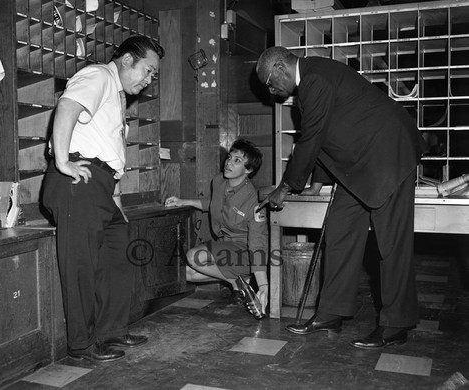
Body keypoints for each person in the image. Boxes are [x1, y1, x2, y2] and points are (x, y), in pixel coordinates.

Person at [257, 47, 427, 349]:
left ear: (280, 67)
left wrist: (286, 187)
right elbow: (324, 139)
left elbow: (311, 138)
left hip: (388, 155)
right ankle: (330, 313)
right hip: (361, 165)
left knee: (391, 244)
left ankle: (396, 324)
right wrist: (316, 185)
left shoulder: (315, 79)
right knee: (340, 231)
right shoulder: (311, 82)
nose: (271, 91)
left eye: (270, 83)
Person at [42, 36, 165, 362]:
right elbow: (67, 107)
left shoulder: (117, 95)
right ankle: (82, 345)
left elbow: (110, 156)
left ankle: (111, 333)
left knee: (116, 256)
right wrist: (63, 161)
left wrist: (117, 204)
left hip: (100, 188)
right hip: (76, 183)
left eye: (153, 75)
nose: (149, 79)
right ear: (126, 60)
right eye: (148, 70)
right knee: (81, 267)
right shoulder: (98, 75)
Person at [165, 139, 269, 316]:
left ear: (248, 170)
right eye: (229, 157)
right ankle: (237, 282)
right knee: (187, 274)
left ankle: (240, 281)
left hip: (246, 253)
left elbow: (257, 244)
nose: (229, 162)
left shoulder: (254, 201)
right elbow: (215, 204)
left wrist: (264, 285)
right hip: (225, 245)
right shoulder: (219, 181)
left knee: (194, 256)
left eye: (237, 160)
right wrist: (184, 201)